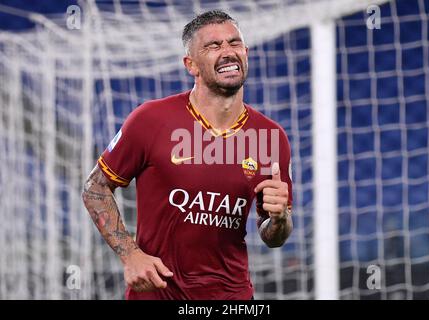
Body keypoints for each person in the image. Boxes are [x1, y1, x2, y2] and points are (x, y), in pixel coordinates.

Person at [82, 10, 293, 300]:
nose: (228, 52)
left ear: (246, 52)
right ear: (190, 64)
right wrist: (130, 255)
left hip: (231, 297)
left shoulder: (271, 137)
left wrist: (280, 218)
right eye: (214, 46)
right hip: (157, 294)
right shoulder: (151, 119)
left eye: (235, 43)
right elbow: (95, 188)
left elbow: (273, 236)